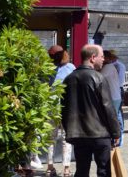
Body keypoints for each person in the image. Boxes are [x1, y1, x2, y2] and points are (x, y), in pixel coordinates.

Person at [62, 44, 120, 177]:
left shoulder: (68, 79)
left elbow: (64, 109)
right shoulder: (98, 78)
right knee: (104, 171)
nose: (103, 59)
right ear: (93, 58)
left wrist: (69, 130)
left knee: (81, 170)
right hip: (100, 134)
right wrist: (116, 132)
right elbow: (108, 108)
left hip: (78, 134)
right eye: (101, 57)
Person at [46, 47, 75, 177]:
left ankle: (50, 167)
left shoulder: (46, 69)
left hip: (50, 107)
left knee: (50, 139)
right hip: (66, 107)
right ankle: (66, 169)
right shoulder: (71, 67)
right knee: (66, 139)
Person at [101, 50, 123, 145]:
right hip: (115, 95)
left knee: (114, 118)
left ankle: (117, 139)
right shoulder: (111, 67)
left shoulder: (107, 67)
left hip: (113, 96)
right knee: (116, 117)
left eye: (102, 57)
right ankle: (118, 138)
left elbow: (99, 78)